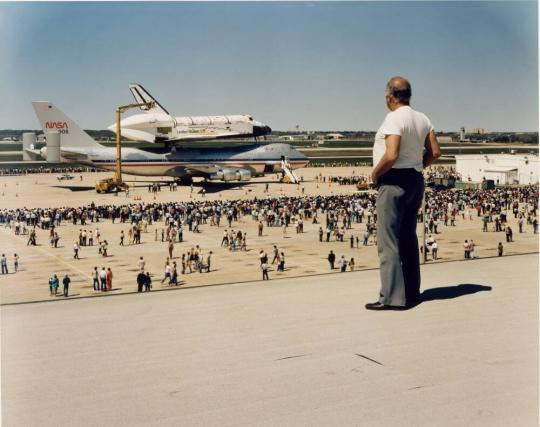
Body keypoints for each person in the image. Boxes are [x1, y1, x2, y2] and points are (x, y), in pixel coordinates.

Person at [366, 76, 440, 310]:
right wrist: (418, 166)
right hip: (415, 180)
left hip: (393, 181)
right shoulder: (423, 118)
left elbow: (392, 154)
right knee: (408, 237)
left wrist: (375, 174)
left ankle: (391, 298)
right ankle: (411, 292)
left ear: (390, 97)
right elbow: (435, 152)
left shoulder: (394, 117)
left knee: (388, 241)